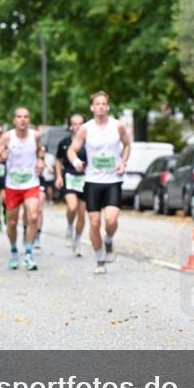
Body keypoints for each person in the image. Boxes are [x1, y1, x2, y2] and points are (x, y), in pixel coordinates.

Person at [67, 91, 131, 274]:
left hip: (113, 180)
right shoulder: (86, 128)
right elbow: (72, 150)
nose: (101, 107)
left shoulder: (117, 126)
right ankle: (99, 259)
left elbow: (127, 145)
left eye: (104, 104)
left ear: (108, 107)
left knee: (110, 220)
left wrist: (123, 162)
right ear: (92, 107)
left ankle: (109, 239)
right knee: (94, 223)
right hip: (92, 180)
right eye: (97, 104)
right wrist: (76, 162)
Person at [0, 107, 44, 271]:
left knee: (33, 216)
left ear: (29, 120)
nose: (23, 119)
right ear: (14, 120)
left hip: (31, 183)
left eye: (26, 117)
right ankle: (14, 250)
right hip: (12, 186)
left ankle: (28, 253)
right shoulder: (7, 137)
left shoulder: (35, 135)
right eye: (19, 117)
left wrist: (41, 160)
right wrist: (1, 157)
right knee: (12, 222)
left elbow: (39, 150)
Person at [55, 113, 88, 256]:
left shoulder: (90, 142)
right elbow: (58, 160)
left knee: (82, 214)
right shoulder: (64, 143)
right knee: (72, 206)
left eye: (80, 123)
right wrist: (58, 177)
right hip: (69, 177)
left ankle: (78, 240)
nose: (77, 126)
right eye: (75, 124)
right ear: (70, 126)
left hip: (85, 179)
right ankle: (69, 226)